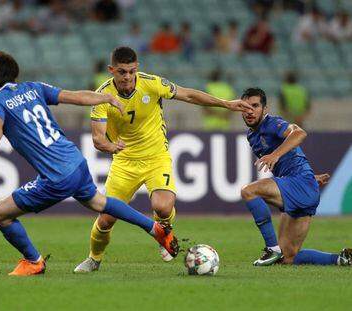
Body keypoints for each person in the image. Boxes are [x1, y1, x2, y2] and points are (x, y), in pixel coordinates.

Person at [0, 51, 179, 276]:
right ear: (14, 74)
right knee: (100, 203)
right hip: (76, 162)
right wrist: (104, 97)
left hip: (56, 177)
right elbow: (76, 97)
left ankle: (33, 261)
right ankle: (155, 228)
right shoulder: (33, 88)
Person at [74, 46, 253, 272]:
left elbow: (188, 94)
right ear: (111, 70)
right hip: (124, 162)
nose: (127, 76)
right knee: (106, 219)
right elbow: (98, 139)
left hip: (156, 156)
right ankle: (94, 258)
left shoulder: (152, 83)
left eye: (131, 71)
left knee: (163, 206)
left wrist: (225, 104)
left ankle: (163, 233)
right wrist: (111, 145)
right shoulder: (102, 97)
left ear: (137, 68)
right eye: (121, 72)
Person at [240, 87, 351, 266]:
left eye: (255, 106)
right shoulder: (252, 135)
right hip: (302, 185)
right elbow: (291, 160)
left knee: (249, 191)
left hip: (299, 184)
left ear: (265, 109)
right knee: (288, 257)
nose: (250, 111)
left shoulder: (273, 123)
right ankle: (342, 259)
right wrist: (311, 178)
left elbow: (299, 133)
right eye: (245, 107)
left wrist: (275, 154)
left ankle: (271, 249)